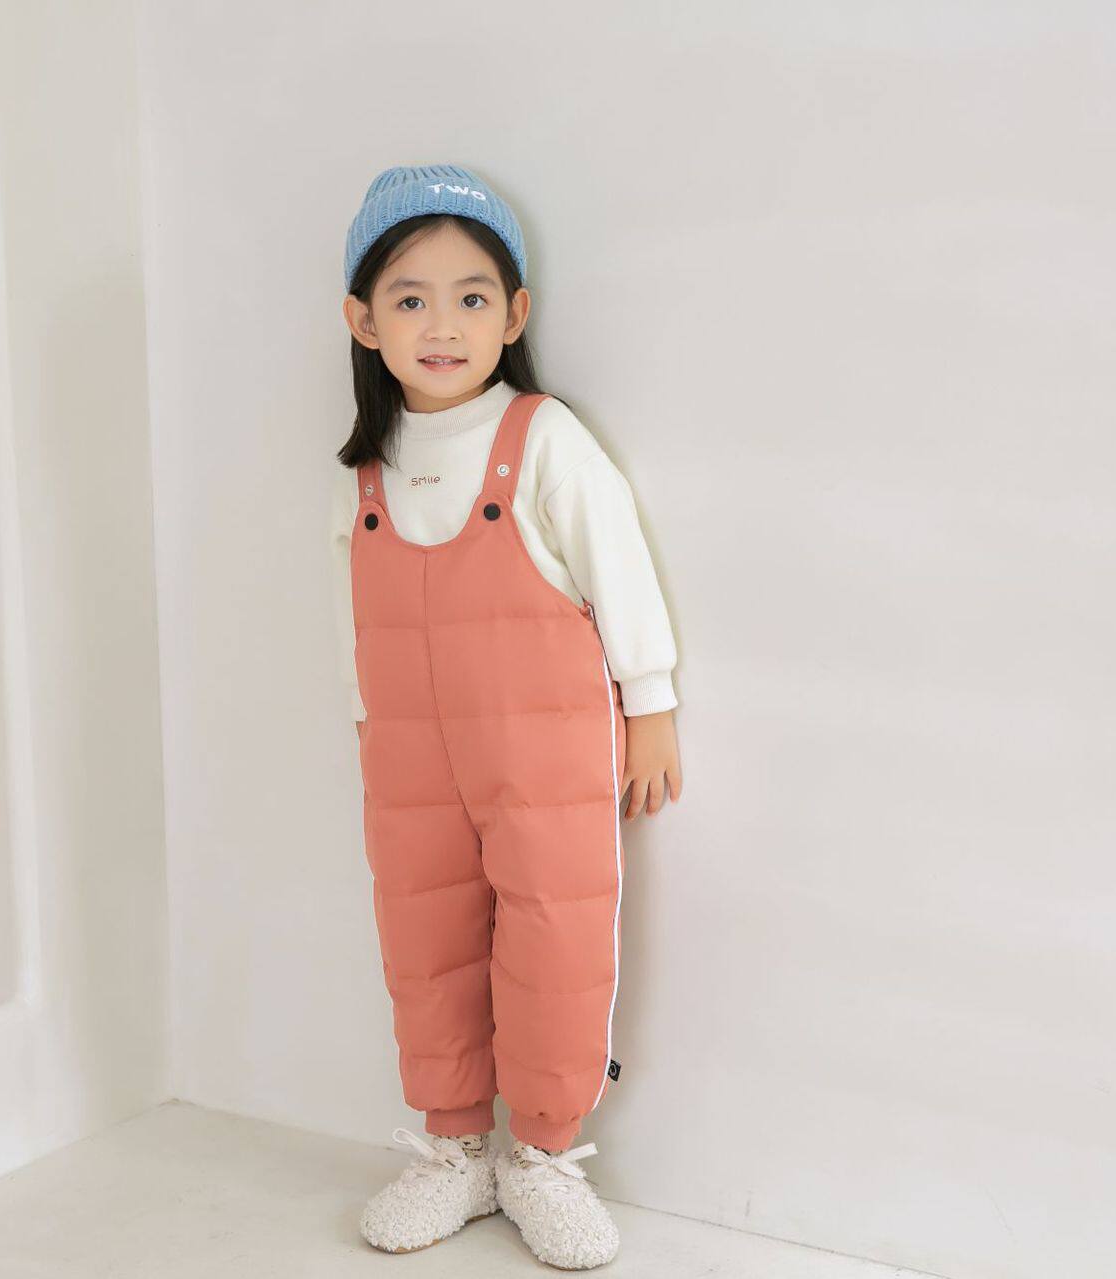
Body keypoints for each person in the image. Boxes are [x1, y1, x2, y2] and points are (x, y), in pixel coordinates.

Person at [331, 164, 684, 1269]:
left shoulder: (542, 439)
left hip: (545, 754)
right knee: (423, 942)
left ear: (515, 314)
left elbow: (617, 565)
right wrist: (362, 718)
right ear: (364, 320)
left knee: (553, 938)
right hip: (408, 757)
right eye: (411, 298)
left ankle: (542, 1155)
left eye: (471, 296)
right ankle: (454, 1151)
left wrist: (652, 702)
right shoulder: (367, 472)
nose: (442, 325)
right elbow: (346, 610)